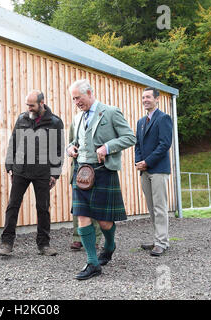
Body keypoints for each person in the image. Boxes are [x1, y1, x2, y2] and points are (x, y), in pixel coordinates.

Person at [66, 79, 136, 280]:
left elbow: (129, 137)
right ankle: (92, 263)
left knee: (105, 222)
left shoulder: (111, 112)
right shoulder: (77, 117)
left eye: (78, 98)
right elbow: (74, 141)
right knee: (82, 215)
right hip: (81, 172)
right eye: (73, 99)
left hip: (104, 171)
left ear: (89, 93)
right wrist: (70, 148)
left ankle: (110, 245)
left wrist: (108, 147)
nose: (76, 102)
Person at [0, 90, 65, 256]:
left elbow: (59, 150)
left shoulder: (55, 122)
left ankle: (44, 245)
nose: (29, 108)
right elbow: (13, 142)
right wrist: (9, 165)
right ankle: (7, 243)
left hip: (43, 172)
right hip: (20, 169)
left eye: (32, 105)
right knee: (12, 206)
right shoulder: (22, 118)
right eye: (27, 105)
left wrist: (55, 174)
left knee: (43, 208)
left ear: (41, 103)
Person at [135, 87, 173, 256]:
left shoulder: (163, 118)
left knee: (160, 207)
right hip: (144, 170)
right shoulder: (141, 121)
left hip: (158, 169)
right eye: (143, 97)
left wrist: (147, 162)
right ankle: (157, 238)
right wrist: (138, 162)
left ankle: (162, 242)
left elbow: (165, 144)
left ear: (157, 99)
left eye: (148, 97)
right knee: (151, 207)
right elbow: (138, 145)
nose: (145, 100)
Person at [68, 122, 102, 251]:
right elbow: (71, 143)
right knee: (78, 207)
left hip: (95, 169)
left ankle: (95, 239)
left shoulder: (99, 123)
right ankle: (78, 239)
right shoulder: (76, 122)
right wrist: (70, 150)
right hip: (78, 171)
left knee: (95, 206)